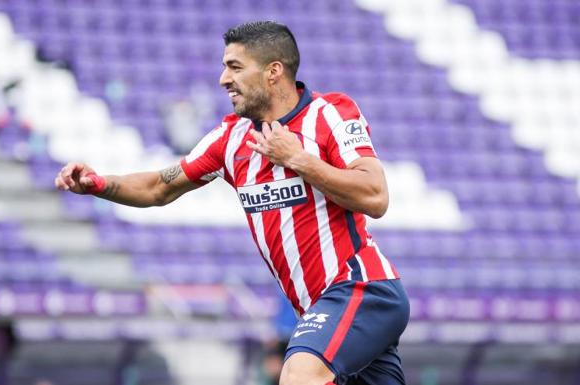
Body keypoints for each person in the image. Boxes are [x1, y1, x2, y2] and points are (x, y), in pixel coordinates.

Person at [55, 21, 410, 385]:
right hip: (317, 307)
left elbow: (375, 196)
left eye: (235, 67)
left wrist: (298, 159)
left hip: (361, 288)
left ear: (274, 72)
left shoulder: (329, 113)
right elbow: (159, 187)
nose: (224, 79)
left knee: (299, 376)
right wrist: (100, 185)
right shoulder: (231, 139)